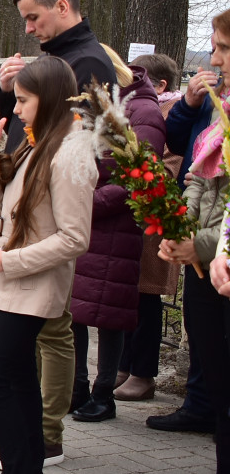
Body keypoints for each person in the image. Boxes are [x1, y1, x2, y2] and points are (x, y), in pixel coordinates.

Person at [0, 0, 118, 461]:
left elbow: (85, 151)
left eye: (33, 17)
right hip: (25, 214)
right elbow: (30, 142)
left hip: (48, 225)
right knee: (22, 348)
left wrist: (29, 218)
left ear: (61, 6)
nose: (28, 29)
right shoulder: (56, 60)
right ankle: (23, 430)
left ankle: (42, 434)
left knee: (50, 332)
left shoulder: (87, 62)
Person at [0, 56, 97, 474]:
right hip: (13, 283)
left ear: (47, 99)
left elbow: (74, 238)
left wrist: (11, 262)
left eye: (24, 100)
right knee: (19, 378)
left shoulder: (69, 152)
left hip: (32, 285)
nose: (17, 108)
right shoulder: (38, 142)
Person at [70, 46, 165, 423]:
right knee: (76, 309)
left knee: (108, 314)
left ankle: (102, 392)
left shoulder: (142, 110)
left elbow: (141, 173)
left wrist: (89, 202)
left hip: (114, 224)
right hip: (84, 218)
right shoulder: (97, 104)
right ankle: (76, 387)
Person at [159, 11, 230, 474]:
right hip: (204, 261)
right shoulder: (218, 106)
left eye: (222, 47)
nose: (214, 58)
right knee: (219, 378)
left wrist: (200, 242)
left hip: (219, 257)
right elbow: (198, 179)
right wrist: (180, 230)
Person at [113, 53, 182, 402]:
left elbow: (167, 167)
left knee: (147, 297)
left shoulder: (170, 116)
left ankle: (143, 373)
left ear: (159, 85)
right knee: (129, 296)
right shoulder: (142, 112)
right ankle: (124, 367)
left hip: (152, 221)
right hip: (133, 217)